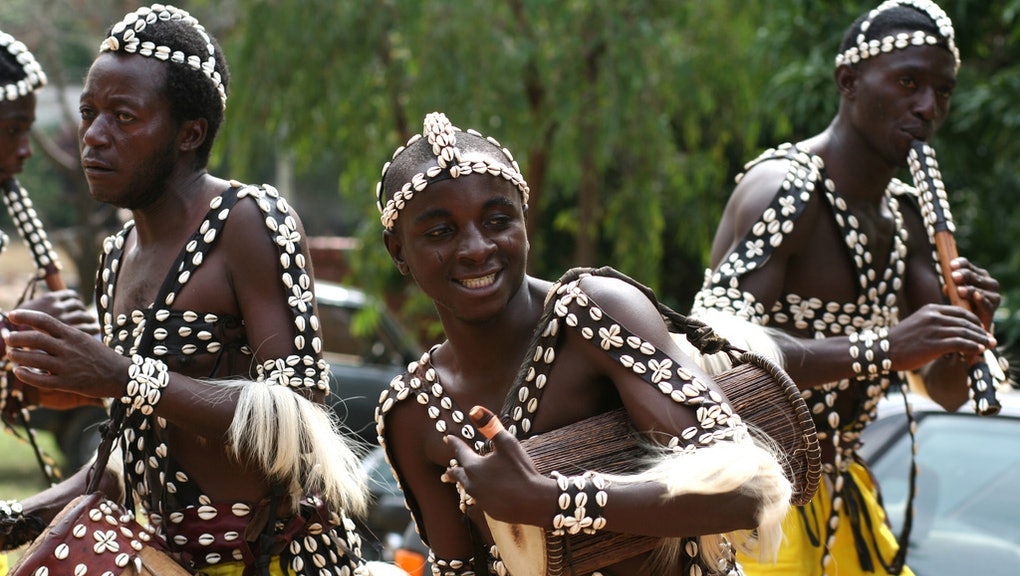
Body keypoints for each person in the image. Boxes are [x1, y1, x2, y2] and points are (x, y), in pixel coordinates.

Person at [0, 6, 393, 576]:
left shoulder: (250, 221)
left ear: (190, 133)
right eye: (89, 113)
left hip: (280, 561)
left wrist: (118, 374)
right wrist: (15, 517)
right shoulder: (117, 256)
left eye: (123, 117)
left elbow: (297, 413)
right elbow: (132, 464)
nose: (94, 136)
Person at [374, 111, 794, 576]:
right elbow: (458, 569)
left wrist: (550, 500)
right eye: (440, 232)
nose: (475, 248)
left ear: (524, 223)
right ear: (398, 252)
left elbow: (747, 491)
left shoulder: (594, 315)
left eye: (497, 221)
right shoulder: (414, 411)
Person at [690, 1, 1005, 575]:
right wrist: (883, 349)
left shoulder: (906, 218)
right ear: (849, 82)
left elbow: (947, 393)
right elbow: (710, 353)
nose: (928, 107)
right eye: (908, 82)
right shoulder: (785, 189)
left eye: (943, 91)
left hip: (845, 501)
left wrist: (970, 334)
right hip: (751, 499)